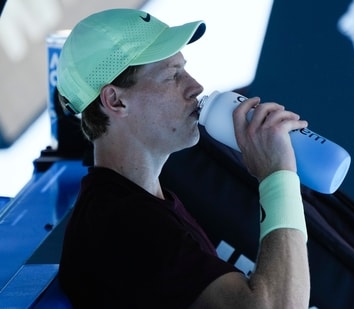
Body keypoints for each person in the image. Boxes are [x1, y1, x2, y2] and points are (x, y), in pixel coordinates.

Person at [56, 8, 310, 308]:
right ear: (116, 100)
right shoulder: (126, 224)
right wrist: (277, 176)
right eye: (172, 76)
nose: (196, 87)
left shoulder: (136, 202)